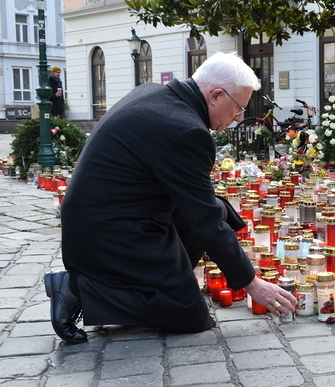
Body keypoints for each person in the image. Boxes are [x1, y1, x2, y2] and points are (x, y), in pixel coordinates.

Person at [44, 52, 296, 344]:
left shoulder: (156, 94)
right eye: (239, 107)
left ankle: (167, 282)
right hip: (107, 237)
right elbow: (203, 219)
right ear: (215, 95)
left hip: (102, 219)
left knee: (219, 208)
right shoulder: (185, 129)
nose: (239, 117)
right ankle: (78, 289)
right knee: (188, 313)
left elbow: (199, 205)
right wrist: (251, 283)